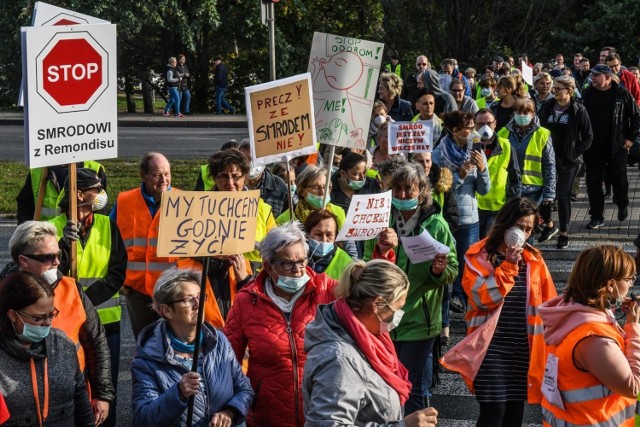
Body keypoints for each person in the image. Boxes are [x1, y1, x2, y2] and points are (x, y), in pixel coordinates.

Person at [441, 197, 557, 427]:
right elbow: (482, 298)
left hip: (523, 348)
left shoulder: (534, 259)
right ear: (505, 224)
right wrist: (508, 266)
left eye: (528, 229)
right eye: (519, 227)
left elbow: (549, 303)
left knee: (514, 413)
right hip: (489, 348)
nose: (523, 234)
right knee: (493, 412)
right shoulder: (478, 255)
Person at [365, 162, 458, 415]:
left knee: (412, 387)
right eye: (397, 189)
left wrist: (437, 270)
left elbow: (453, 270)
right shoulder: (380, 222)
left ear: (422, 191)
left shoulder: (437, 225)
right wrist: (382, 250)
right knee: (384, 384)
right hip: (382, 320)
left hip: (419, 320)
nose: (403, 195)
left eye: (409, 189)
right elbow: (365, 266)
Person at [223, 222, 338, 427]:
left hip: (320, 411)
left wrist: (382, 255)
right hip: (266, 415)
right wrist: (230, 407)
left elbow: (364, 296)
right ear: (268, 266)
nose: (297, 270)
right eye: (287, 263)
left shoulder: (325, 289)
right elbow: (228, 362)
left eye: (302, 261)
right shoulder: (246, 301)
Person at [303, 259, 439, 427]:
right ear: (377, 304)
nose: (399, 316)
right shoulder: (339, 360)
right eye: (397, 308)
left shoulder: (363, 336)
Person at [5, 220, 115, 424]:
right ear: (23, 261)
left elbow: (96, 342)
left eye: (58, 255)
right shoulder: (5, 295)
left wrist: (102, 394)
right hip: (18, 408)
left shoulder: (72, 288)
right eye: (47, 257)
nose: (56, 262)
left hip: (71, 396)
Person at [50, 168, 127, 427]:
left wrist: (83, 304)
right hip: (66, 325)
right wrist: (61, 244)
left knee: (106, 388)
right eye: (97, 189)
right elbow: (47, 275)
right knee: (72, 386)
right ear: (79, 193)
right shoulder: (53, 229)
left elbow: (117, 273)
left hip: (106, 323)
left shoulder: (107, 225)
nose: (102, 194)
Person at [131, 269, 254, 426]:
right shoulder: (148, 358)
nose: (198, 304)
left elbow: (244, 389)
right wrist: (178, 393)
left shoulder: (219, 341)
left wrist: (230, 412)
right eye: (189, 300)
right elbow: (143, 419)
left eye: (200, 296)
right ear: (166, 310)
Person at [538, 245, 639, 426]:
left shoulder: (569, 312)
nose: (632, 283)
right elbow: (633, 386)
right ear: (610, 285)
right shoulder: (594, 340)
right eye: (629, 278)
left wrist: (609, 307)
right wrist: (634, 328)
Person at [0, 272, 94, 426]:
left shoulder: (63, 344)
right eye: (38, 318)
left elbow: (81, 400)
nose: (48, 322)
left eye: (51, 314)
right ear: (13, 315)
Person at [110, 152, 179, 337]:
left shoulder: (183, 201)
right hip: (137, 291)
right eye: (157, 175)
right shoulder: (125, 201)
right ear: (143, 175)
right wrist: (117, 277)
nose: (164, 180)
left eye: (167, 174)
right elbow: (110, 241)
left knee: (174, 344)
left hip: (172, 290)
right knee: (145, 343)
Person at [431, 111, 490, 314]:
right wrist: (459, 175)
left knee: (467, 265)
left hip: (468, 219)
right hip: (445, 219)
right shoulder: (438, 154)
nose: (474, 132)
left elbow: (484, 190)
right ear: (455, 130)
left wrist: (482, 170)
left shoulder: (477, 152)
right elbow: (438, 188)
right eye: (469, 128)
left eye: (474, 127)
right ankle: (446, 309)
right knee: (444, 263)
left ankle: (461, 301)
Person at [581, 64, 640, 229]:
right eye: (592, 75)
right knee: (593, 182)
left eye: (596, 75)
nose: (592, 78)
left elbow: (635, 117)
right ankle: (597, 216)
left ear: (607, 77)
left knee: (619, 179)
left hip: (617, 145)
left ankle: (622, 203)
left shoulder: (621, 94)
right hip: (593, 146)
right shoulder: (587, 95)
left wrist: (630, 138)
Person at [538, 76, 593, 248]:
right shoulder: (548, 107)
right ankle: (548, 225)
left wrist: (574, 154)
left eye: (558, 88)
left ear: (569, 90)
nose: (554, 91)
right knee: (545, 195)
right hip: (548, 158)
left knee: (563, 196)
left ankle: (564, 232)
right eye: (554, 88)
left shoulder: (578, 109)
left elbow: (588, 136)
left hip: (568, 161)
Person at [498, 98, 558, 243]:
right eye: (519, 111)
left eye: (526, 112)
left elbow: (549, 165)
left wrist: (549, 194)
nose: (522, 115)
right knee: (510, 226)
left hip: (533, 189)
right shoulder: (503, 133)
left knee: (526, 228)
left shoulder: (543, 134)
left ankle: (525, 259)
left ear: (533, 113)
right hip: (509, 188)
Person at [204, 148, 275, 269]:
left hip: (252, 279)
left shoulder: (262, 209)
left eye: (236, 176)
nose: (230, 183)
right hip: (212, 278)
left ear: (244, 177)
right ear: (215, 178)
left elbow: (275, 250)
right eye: (224, 176)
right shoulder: (201, 208)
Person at [474, 108, 521, 238]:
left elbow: (515, 179)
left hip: (497, 209)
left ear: (495, 124)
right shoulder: (467, 146)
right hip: (474, 208)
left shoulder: (506, 146)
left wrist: (511, 207)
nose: (485, 127)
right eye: (480, 124)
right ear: (474, 125)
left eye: (488, 123)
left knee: (491, 246)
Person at [16, 161, 107, 224]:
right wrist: (26, 232)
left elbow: (99, 209)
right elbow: (25, 205)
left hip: (81, 237)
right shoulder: (38, 170)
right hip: (46, 240)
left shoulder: (95, 169)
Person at [237, 139, 290, 218]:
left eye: (255, 159)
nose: (250, 163)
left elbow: (286, 218)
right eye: (245, 159)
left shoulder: (279, 186)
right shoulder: (232, 184)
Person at [303, 209, 352, 281]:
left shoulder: (347, 263)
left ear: (335, 237)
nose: (324, 240)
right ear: (307, 235)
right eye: (318, 234)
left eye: (329, 235)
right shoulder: (296, 258)